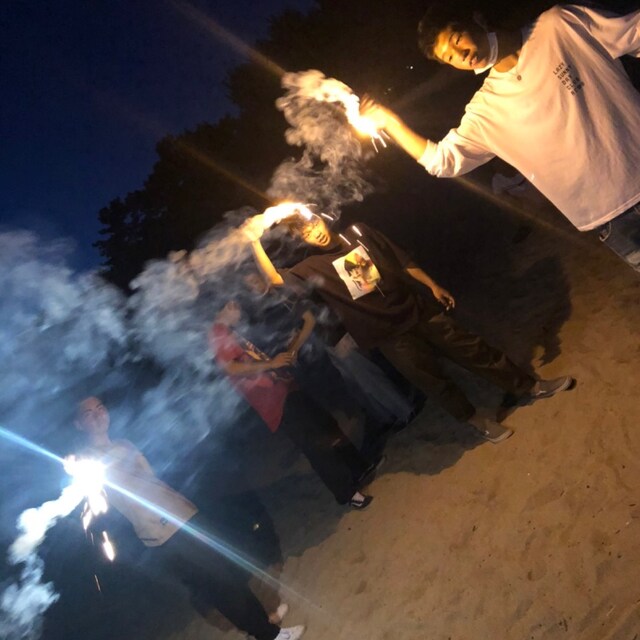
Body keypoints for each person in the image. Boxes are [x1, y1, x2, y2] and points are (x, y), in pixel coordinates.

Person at [244, 213, 573, 443]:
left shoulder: (358, 232)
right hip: (387, 335)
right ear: (302, 239)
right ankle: (476, 421)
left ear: (321, 218)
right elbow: (274, 280)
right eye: (305, 233)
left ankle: (529, 386)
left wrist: (432, 285)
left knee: (474, 350)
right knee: (432, 380)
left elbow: (402, 260)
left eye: (314, 224)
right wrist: (254, 241)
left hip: (417, 309)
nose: (314, 232)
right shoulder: (309, 268)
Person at [359, 3, 640, 271]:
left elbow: (634, 32)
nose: (460, 55)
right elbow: (443, 161)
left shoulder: (558, 26)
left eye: (456, 39)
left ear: (477, 19)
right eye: (449, 58)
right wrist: (390, 122)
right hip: (611, 219)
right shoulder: (487, 109)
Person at [74, 396, 305, 640]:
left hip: (182, 513)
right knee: (220, 582)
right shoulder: (88, 460)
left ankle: (260, 622)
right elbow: (103, 489)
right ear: (79, 424)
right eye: (89, 413)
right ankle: (269, 635)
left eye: (100, 408)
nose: (98, 415)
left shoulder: (123, 443)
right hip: (164, 530)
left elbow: (152, 479)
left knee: (227, 571)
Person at [210, 300, 379, 508]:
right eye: (235, 305)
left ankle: (359, 468)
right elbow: (230, 367)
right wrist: (271, 363)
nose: (239, 309)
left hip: (284, 387)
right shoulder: (217, 333)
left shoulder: (230, 331)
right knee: (315, 444)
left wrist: (277, 362)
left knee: (326, 425)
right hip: (272, 400)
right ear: (225, 307)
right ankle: (347, 492)